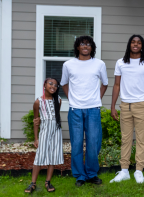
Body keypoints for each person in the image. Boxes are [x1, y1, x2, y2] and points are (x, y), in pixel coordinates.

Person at [60, 35, 108, 186]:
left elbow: (105, 84)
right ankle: (80, 175)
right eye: (82, 44)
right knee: (77, 143)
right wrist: (72, 98)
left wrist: (97, 99)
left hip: (93, 109)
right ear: (77, 47)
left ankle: (92, 173)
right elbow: (64, 83)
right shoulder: (68, 65)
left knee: (94, 143)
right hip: (75, 110)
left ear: (92, 48)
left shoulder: (99, 64)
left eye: (88, 44)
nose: (85, 46)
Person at [110, 34, 144, 183]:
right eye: (133, 42)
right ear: (129, 45)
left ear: (142, 46)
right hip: (125, 105)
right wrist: (112, 106)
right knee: (125, 139)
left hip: (141, 105)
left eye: (138, 42)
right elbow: (116, 85)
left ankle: (139, 170)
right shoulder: (121, 63)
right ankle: (124, 171)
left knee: (142, 140)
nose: (135, 44)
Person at [25, 78, 63, 194]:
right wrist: (36, 138)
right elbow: (36, 121)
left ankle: (48, 181)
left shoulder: (59, 100)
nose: (53, 86)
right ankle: (33, 183)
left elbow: (56, 116)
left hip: (56, 131)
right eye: (50, 84)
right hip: (45, 131)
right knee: (40, 156)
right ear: (45, 85)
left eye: (56, 85)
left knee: (53, 156)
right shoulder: (38, 102)